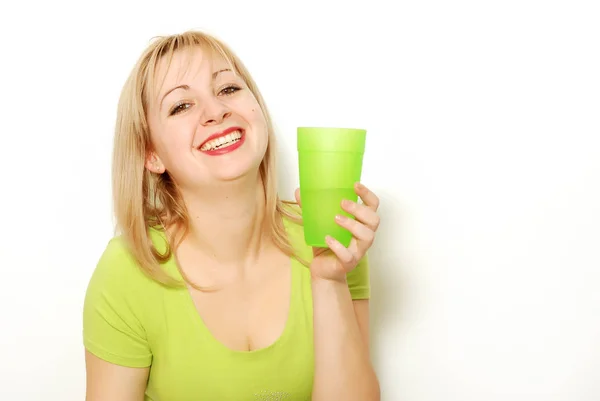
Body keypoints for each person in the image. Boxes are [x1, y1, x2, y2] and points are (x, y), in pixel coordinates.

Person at [82, 29, 382, 401]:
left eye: (227, 89)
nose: (216, 111)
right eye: (181, 106)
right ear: (151, 154)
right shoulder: (128, 270)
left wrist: (330, 281)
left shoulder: (330, 240)